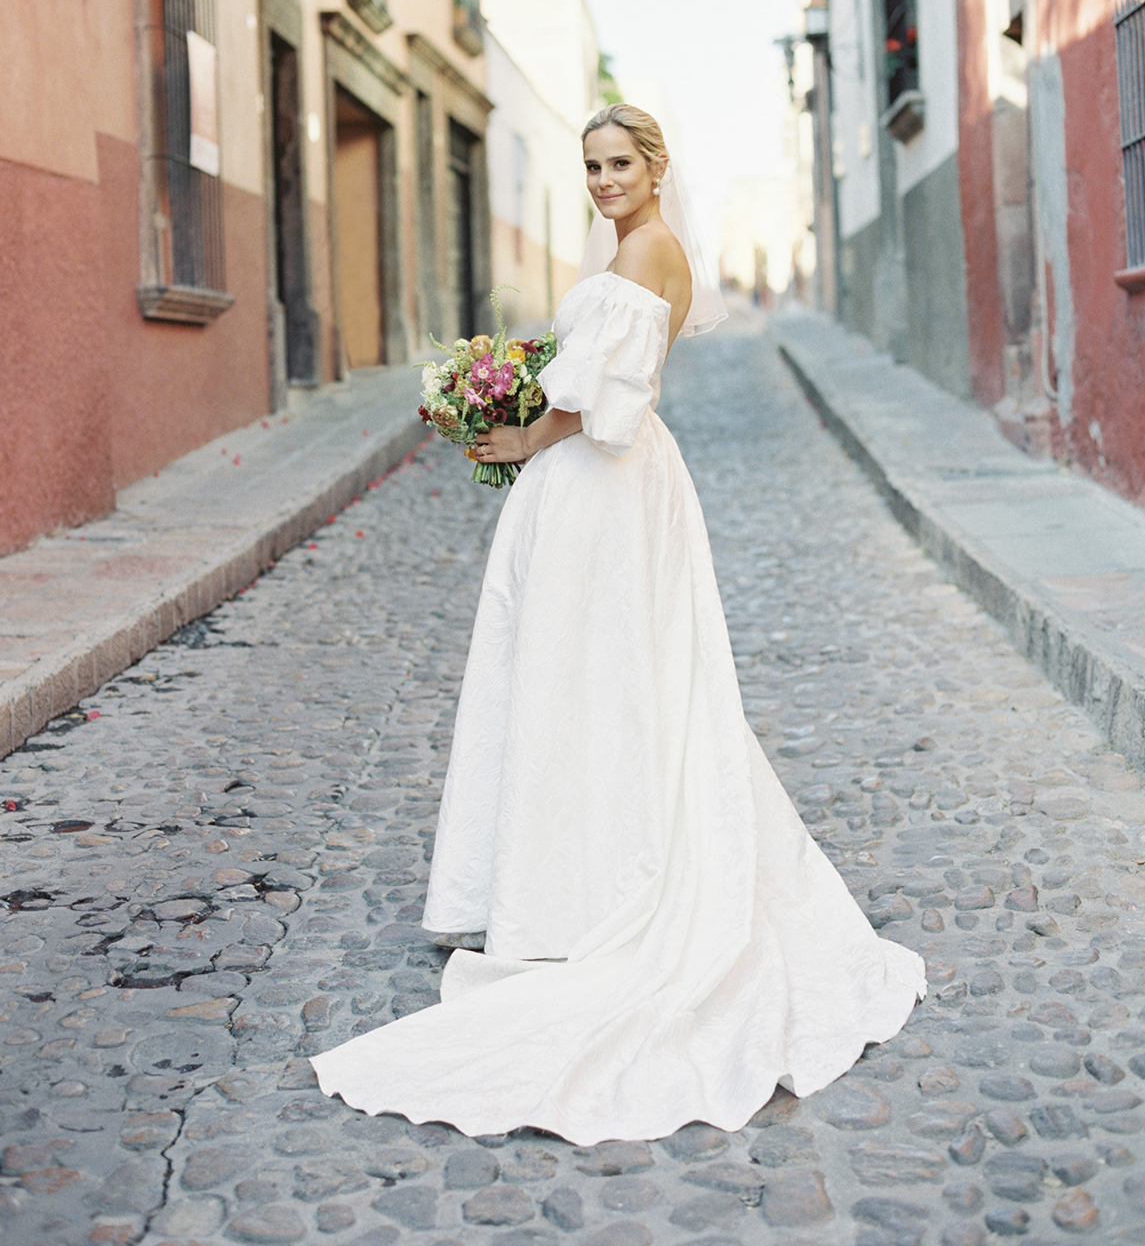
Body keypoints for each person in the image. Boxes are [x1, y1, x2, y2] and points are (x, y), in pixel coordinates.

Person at [310, 104, 926, 1144]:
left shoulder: (650, 252)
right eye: (589, 165)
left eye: (617, 164)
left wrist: (518, 433)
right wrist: (517, 417)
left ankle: (593, 897)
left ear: (654, 168)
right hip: (592, 492)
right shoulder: (627, 250)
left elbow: (612, 407)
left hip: (605, 489)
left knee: (593, 685)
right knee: (581, 684)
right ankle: (563, 885)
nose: (601, 179)